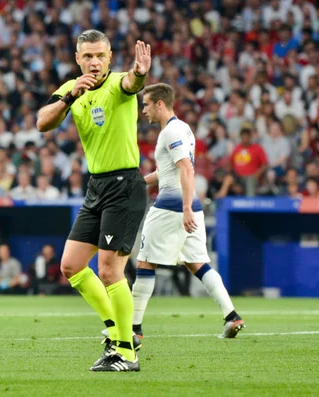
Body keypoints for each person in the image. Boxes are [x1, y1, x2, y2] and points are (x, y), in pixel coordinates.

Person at [36, 30, 150, 372]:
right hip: (96, 187)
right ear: (77, 58)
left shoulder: (117, 84)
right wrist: (70, 96)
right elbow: (43, 122)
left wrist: (141, 72)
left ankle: (128, 352)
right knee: (70, 266)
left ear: (111, 57)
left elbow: (132, 84)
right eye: (87, 56)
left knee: (110, 270)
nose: (94, 62)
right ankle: (115, 333)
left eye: (100, 55)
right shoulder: (73, 89)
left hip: (125, 186)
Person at [133, 83, 245, 348]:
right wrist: (139, 183)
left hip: (172, 207)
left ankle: (134, 329)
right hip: (190, 205)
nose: (144, 110)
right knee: (197, 263)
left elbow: (186, 169)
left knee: (145, 262)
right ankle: (231, 316)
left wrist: (183, 208)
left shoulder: (170, 131)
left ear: (160, 104)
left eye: (146, 104)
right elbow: (170, 170)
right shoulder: (183, 129)